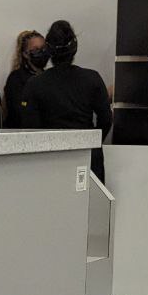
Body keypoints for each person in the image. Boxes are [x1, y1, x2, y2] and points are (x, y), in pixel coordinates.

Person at [22, 21, 112, 182]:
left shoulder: (35, 84)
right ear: (74, 48)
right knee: (91, 196)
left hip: (51, 156)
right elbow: (106, 119)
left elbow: (30, 126)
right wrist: (93, 141)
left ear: (48, 50)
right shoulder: (92, 78)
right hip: (87, 153)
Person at [3, 30, 48, 129]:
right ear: (25, 54)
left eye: (44, 48)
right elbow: (19, 113)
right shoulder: (16, 79)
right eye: (36, 50)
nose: (42, 52)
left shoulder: (49, 76)